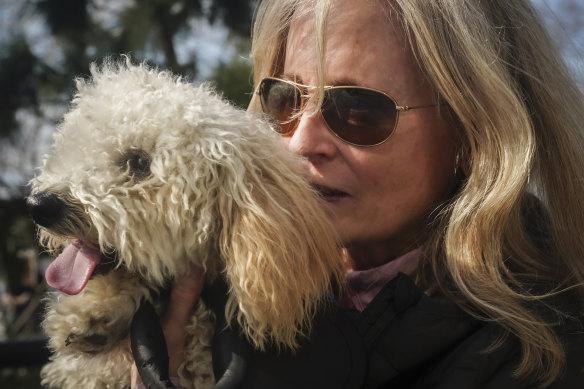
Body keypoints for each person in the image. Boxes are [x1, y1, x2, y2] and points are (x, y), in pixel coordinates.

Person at [132, 0, 584, 387]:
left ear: (473, 133)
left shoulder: (547, 354)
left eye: (356, 108)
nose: (301, 142)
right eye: (285, 100)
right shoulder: (205, 283)